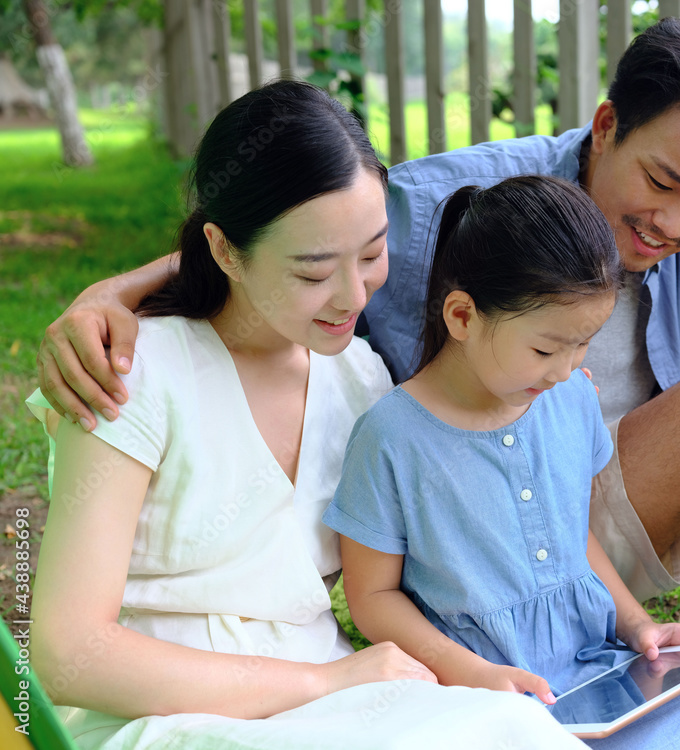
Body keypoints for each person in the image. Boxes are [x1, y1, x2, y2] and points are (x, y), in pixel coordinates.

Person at [32, 16, 680, 742]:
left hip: (566, 517)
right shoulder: (461, 212)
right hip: (468, 546)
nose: (674, 223)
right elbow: (288, 228)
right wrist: (118, 295)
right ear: (607, 124)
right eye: (660, 185)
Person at [24, 80, 591, 750]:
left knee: (517, 730)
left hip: (342, 694)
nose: (353, 294)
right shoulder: (134, 371)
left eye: (373, 253)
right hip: (166, 716)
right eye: (313, 272)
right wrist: (322, 684)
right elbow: (68, 656)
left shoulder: (358, 378)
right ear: (226, 250)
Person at [324, 174, 680, 750]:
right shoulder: (391, 438)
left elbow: (574, 537)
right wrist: (475, 675)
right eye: (544, 348)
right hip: (477, 696)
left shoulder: (568, 397)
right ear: (462, 317)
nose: (565, 370)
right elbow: (371, 598)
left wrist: (638, 627)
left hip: (596, 670)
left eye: (582, 344)